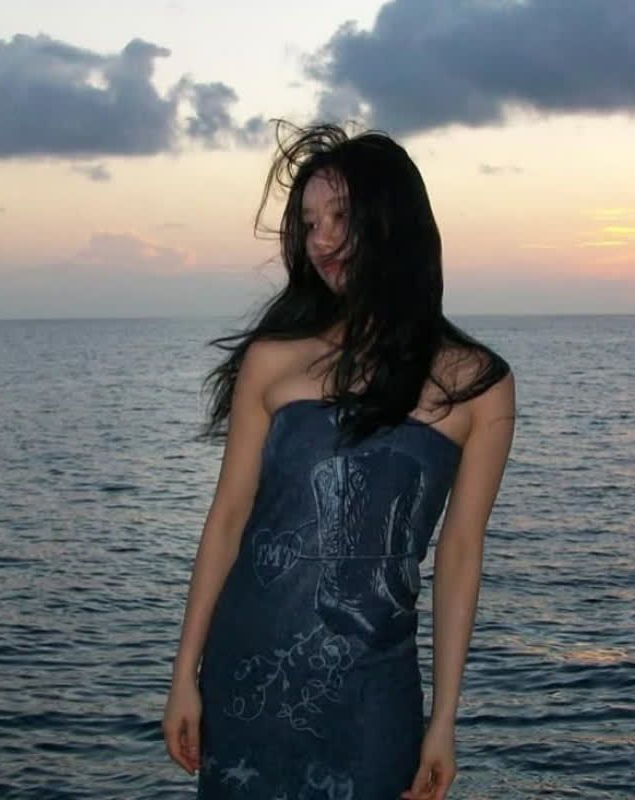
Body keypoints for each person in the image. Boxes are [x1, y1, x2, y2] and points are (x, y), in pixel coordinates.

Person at [162, 121, 515, 800]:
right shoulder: (274, 361)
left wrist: (444, 720)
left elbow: (460, 553)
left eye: (340, 217)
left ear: (394, 223)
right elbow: (229, 518)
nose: (320, 240)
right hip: (246, 675)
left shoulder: (478, 385)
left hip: (374, 692)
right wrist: (184, 674)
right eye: (309, 224)